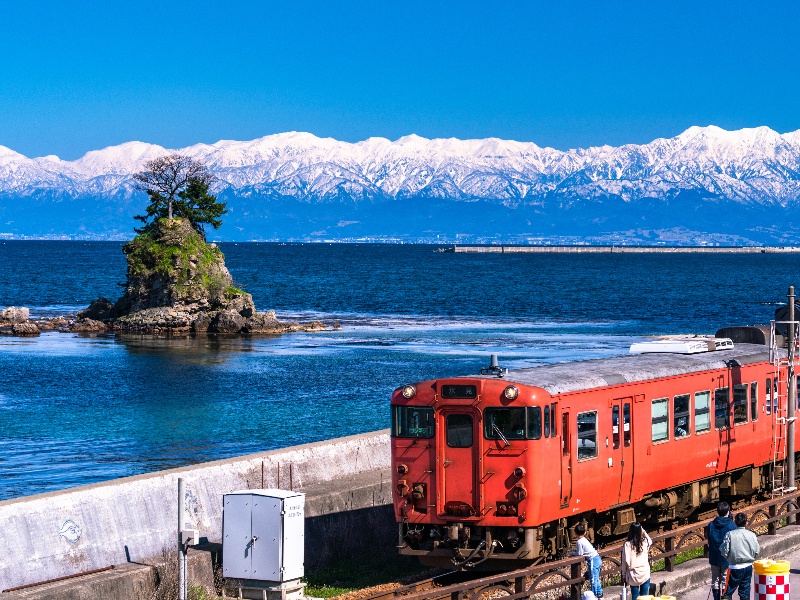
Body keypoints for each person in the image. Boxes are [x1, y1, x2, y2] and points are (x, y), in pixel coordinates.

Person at [720, 513, 760, 600]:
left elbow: (724, 551)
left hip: (734, 567)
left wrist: (728, 558)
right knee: (745, 591)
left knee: (727, 592)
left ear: (735, 522)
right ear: (746, 522)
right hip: (748, 566)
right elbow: (757, 551)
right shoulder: (752, 534)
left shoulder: (729, 534)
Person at [706, 501, 737, 600]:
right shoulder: (731, 525)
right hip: (726, 558)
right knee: (725, 580)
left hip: (714, 557)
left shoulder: (711, 525)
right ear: (728, 511)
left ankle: (716, 598)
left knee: (715, 580)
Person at [621, 522, 653, 600]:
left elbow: (624, 562)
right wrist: (642, 530)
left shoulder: (627, 545)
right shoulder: (645, 542)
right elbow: (650, 541)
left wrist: (623, 575)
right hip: (644, 573)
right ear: (640, 531)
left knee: (635, 597)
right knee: (644, 597)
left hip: (633, 576)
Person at [574, 523, 603, 598]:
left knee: (593, 579)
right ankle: (599, 593)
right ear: (585, 532)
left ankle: (595, 595)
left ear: (575, 533)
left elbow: (580, 553)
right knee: (596, 578)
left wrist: (573, 553)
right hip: (597, 558)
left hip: (593, 560)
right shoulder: (585, 539)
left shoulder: (579, 542)